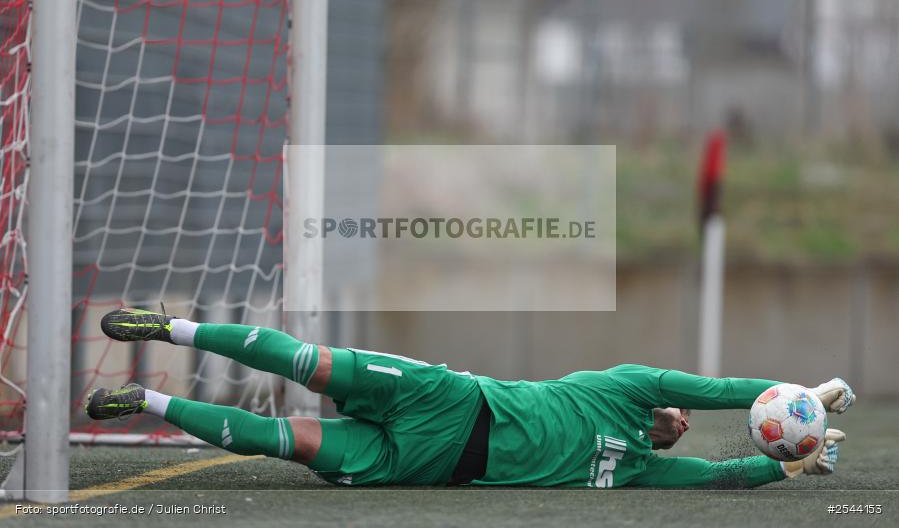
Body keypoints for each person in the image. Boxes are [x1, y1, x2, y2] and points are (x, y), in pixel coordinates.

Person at [86, 308, 855, 488]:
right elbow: (726, 390)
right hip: (451, 398)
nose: (682, 420)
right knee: (311, 363)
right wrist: (801, 396)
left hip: (420, 464)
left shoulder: (637, 472)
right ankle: (175, 328)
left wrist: (793, 460)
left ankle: (145, 403)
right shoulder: (628, 384)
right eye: (679, 416)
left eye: (681, 429)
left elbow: (723, 478)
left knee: (276, 439)